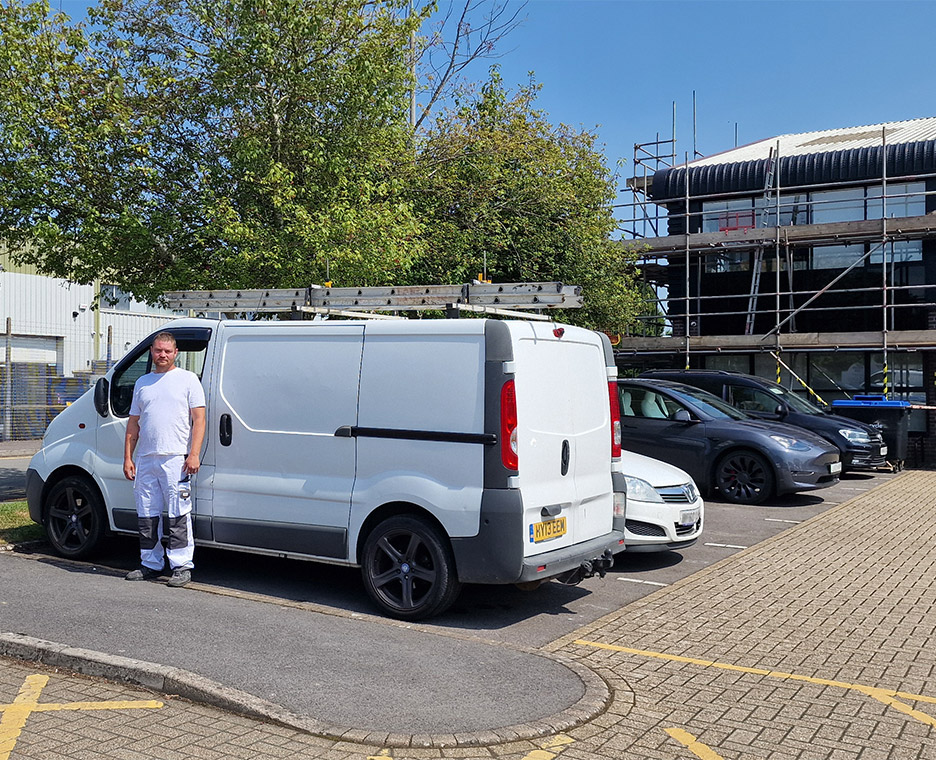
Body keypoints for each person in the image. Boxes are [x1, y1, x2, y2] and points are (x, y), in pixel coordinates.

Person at [123, 332, 206, 587]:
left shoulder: (188, 380)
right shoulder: (143, 383)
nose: (162, 355)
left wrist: (193, 454)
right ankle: (150, 562)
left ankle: (181, 565)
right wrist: (128, 457)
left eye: (167, 351)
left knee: (178, 513)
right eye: (158, 351)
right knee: (147, 514)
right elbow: (133, 424)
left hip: (175, 458)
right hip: (147, 458)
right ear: (152, 351)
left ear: (176, 353)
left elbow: (199, 419)